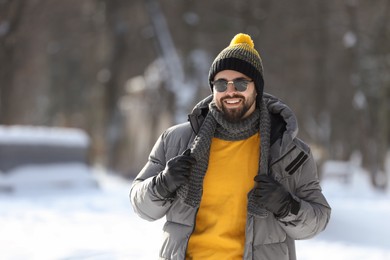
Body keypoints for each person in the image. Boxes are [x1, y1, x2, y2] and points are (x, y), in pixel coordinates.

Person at [130, 33, 331, 260]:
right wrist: (163, 184)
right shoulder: (176, 141)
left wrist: (287, 205)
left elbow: (318, 220)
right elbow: (141, 206)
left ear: (257, 88)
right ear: (213, 88)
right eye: (221, 83)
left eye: (241, 83)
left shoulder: (288, 151)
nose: (231, 91)